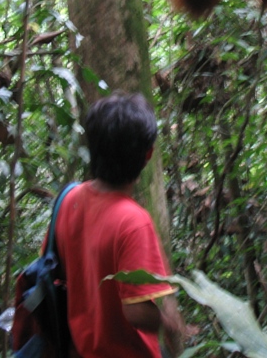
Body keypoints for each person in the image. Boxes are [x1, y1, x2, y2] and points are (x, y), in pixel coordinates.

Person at [55, 92, 183, 357]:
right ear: (148, 154)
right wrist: (169, 322)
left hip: (80, 348)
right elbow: (135, 311)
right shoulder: (133, 221)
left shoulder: (69, 199)